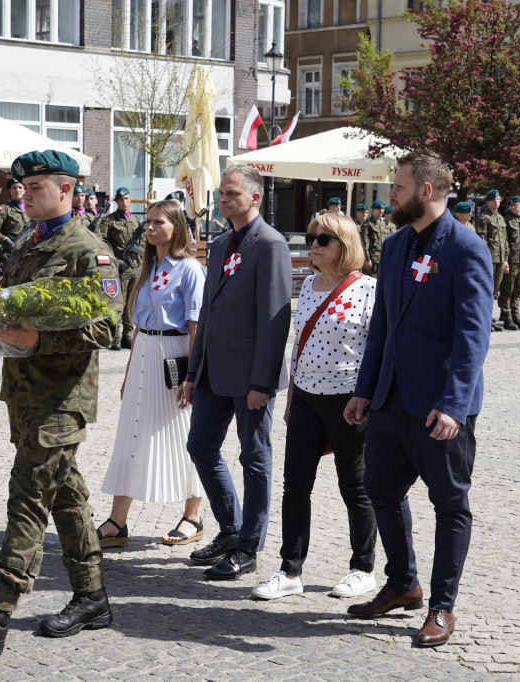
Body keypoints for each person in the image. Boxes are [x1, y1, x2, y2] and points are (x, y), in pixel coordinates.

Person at [0, 150, 124, 654]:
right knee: (65, 494)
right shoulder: (28, 242)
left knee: (29, 497)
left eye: (36, 187)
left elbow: (108, 328)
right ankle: (92, 598)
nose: (24, 195)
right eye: (21, 187)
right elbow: (9, 309)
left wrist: (37, 343)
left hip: (61, 401)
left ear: (67, 190)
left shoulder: (89, 251)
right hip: (25, 395)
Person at [343, 149, 492, 648]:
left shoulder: (466, 247)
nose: (391, 195)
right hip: (390, 401)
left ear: (426, 191)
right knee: (380, 491)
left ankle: (442, 607)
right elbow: (381, 325)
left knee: (450, 504)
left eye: (399, 187)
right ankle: (404, 582)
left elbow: (472, 337)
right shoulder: (396, 244)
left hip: (438, 407)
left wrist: (454, 404)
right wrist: (364, 391)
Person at [251, 212, 377, 602]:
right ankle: (290, 570)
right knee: (296, 485)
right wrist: (291, 397)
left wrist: (369, 398)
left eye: (323, 239)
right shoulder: (307, 286)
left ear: (345, 244)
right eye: (311, 238)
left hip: (348, 401)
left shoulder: (368, 289)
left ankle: (363, 568)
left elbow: (378, 351)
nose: (314, 246)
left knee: (354, 486)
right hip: (305, 397)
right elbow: (299, 347)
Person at [181, 164, 292, 580]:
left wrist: (262, 382)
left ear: (254, 197)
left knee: (255, 459)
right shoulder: (221, 242)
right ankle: (230, 528)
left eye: (231, 194)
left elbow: (274, 319)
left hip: (249, 377)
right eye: (221, 194)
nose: (223, 200)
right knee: (201, 447)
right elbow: (207, 312)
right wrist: (193, 373)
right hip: (212, 372)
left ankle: (249, 546)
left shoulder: (271, 244)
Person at [97, 199, 207, 548]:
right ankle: (118, 521)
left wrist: (191, 376)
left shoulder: (189, 269)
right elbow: (138, 327)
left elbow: (195, 325)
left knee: (184, 435)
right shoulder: (148, 266)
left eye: (159, 222)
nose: (150, 228)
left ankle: (193, 516)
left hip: (174, 353)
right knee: (130, 435)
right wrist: (129, 373)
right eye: (148, 222)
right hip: (144, 352)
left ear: (177, 227)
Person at [103, 187, 144, 350]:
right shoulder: (110, 221)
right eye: (121, 200)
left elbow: (143, 243)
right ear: (117, 202)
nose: (124, 202)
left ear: (130, 199)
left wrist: (140, 261)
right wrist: (115, 260)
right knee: (117, 303)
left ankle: (128, 334)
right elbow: (102, 243)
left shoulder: (136, 221)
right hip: (119, 268)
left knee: (131, 303)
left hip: (135, 268)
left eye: (126, 198)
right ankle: (116, 336)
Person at [476, 190, 506, 332]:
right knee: (486, 290)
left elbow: (504, 241)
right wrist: (485, 259)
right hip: (490, 260)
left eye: (498, 199)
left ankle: (489, 318)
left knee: (494, 291)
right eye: (493, 199)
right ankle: (484, 320)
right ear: (488, 202)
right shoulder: (484, 217)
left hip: (500, 259)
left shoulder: (500, 218)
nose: (496, 201)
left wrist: (505, 259)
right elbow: (482, 240)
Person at [499, 196, 520, 330]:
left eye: (516, 205)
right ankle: (507, 318)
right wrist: (505, 260)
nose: (514, 207)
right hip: (511, 261)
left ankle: (516, 316)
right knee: (507, 290)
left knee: (517, 290)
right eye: (511, 205)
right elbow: (504, 242)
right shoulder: (507, 221)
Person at [361, 200, 394, 276]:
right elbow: (365, 242)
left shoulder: (383, 223)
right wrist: (367, 259)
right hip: (372, 259)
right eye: (378, 209)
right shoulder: (368, 223)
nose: (381, 211)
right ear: (373, 209)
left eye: (382, 209)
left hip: (383, 258)